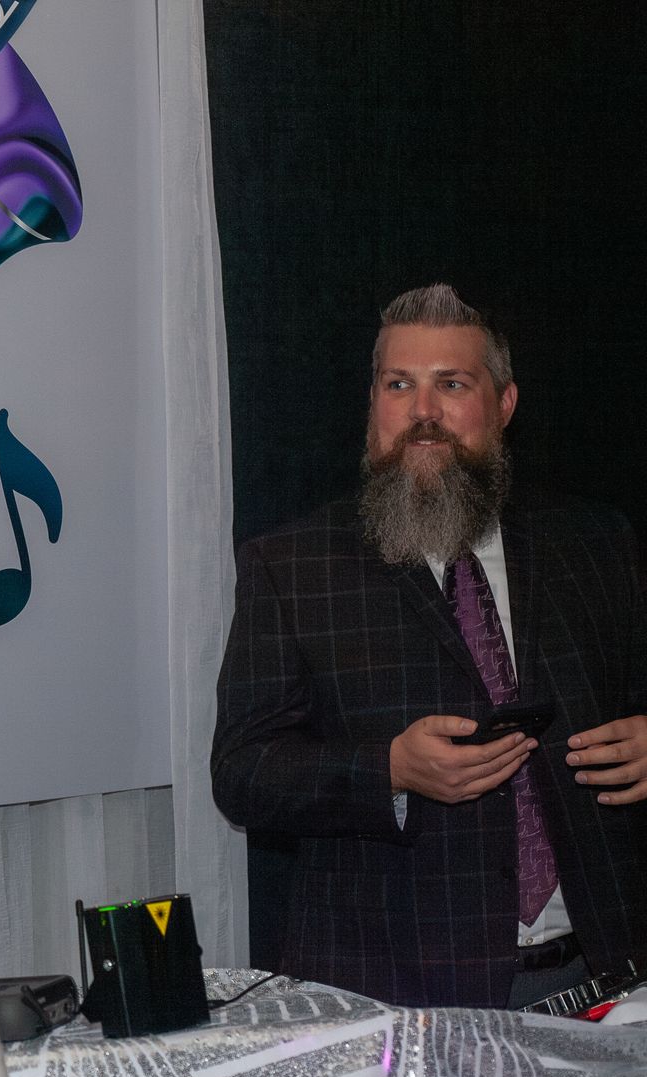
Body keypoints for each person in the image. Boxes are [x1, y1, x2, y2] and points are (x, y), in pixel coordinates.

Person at [212, 283, 647, 1011]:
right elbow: (242, 771)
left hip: (606, 981)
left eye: (452, 384)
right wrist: (389, 769)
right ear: (373, 403)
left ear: (504, 404)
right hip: (391, 1000)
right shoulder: (291, 565)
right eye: (399, 385)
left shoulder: (597, 545)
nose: (423, 412)